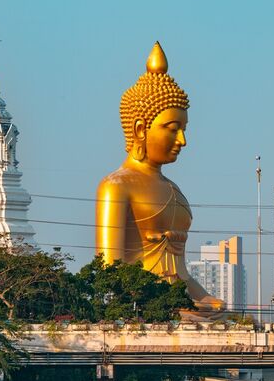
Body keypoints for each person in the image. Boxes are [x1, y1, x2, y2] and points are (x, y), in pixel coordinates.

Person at [95, 42, 224, 313]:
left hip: (178, 303)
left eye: (184, 129)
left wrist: (207, 299)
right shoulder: (116, 186)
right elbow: (109, 272)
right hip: (139, 306)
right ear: (140, 128)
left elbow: (181, 273)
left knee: (226, 318)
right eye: (173, 129)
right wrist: (150, 303)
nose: (182, 140)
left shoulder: (173, 190)